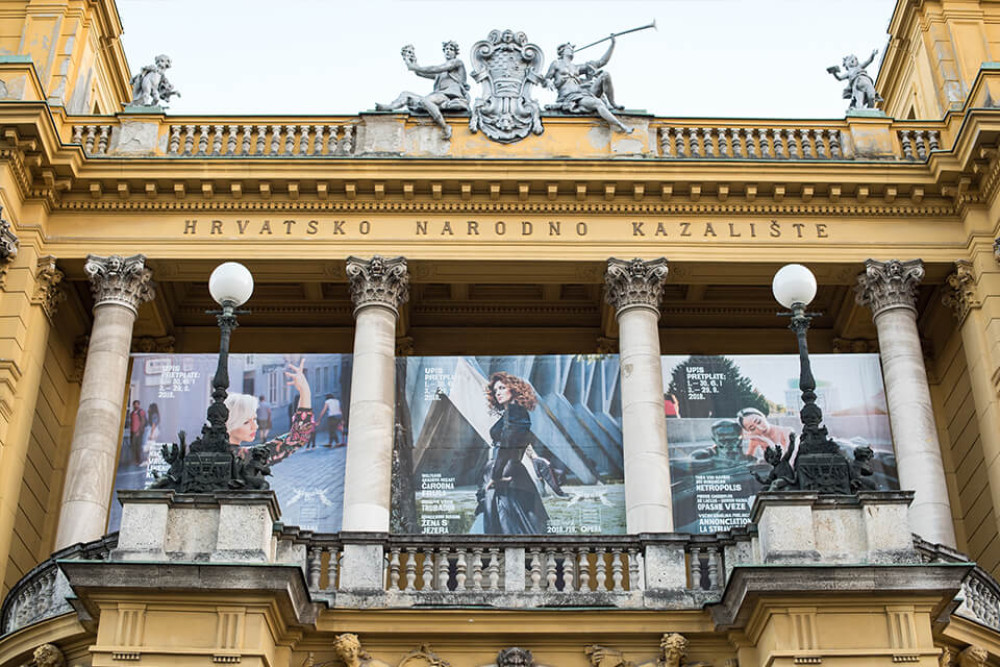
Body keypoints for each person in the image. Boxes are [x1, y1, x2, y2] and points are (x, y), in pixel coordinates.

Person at [479, 371, 548, 534]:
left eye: (502, 388)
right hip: (505, 472)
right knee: (510, 524)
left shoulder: (515, 411)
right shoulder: (513, 413)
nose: (498, 393)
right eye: (496, 390)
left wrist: (496, 476)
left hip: (506, 474)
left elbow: (507, 447)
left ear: (514, 389)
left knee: (510, 526)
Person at [224, 359, 315, 464]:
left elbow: (297, 438)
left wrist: (305, 391)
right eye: (245, 422)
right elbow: (298, 438)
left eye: (254, 419)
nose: (255, 427)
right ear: (229, 424)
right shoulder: (246, 458)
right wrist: (305, 391)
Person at [376, 41, 470, 139]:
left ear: (455, 53)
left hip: (449, 97)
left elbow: (435, 68)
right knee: (406, 94)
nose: (448, 51)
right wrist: (411, 60)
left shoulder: (457, 63)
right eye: (446, 49)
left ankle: (445, 127)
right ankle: (389, 107)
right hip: (438, 96)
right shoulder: (441, 74)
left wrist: (414, 67)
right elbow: (420, 72)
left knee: (426, 100)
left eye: (451, 49)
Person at [544, 38, 632, 133]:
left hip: (583, 93)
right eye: (569, 48)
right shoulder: (556, 64)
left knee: (605, 75)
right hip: (570, 97)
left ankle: (613, 103)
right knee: (598, 103)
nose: (572, 50)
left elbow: (602, 62)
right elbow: (546, 78)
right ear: (562, 51)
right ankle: (620, 125)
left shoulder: (576, 67)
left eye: (572, 49)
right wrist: (548, 81)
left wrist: (612, 44)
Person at [127, 400, 147, 466]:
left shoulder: (141, 412)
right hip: (132, 432)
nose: (136, 406)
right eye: (134, 404)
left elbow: (143, 422)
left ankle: (139, 460)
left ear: (139, 405)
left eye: (137, 404)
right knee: (133, 446)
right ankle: (136, 460)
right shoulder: (132, 413)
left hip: (138, 432)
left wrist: (139, 431)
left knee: (138, 446)